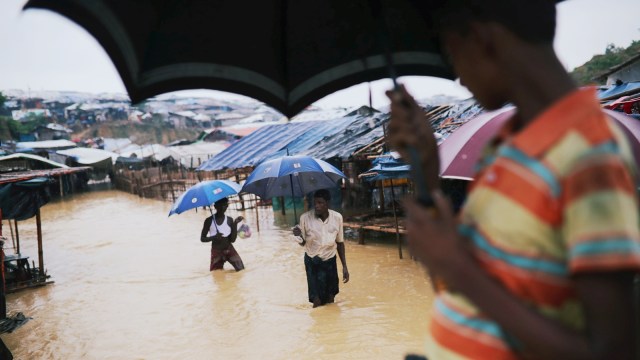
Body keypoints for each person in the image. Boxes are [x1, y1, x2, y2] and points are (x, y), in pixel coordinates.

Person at [387, 0, 640, 359]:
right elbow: (470, 300)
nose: (457, 75)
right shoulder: (501, 147)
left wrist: (459, 270)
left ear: (482, 39)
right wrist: (427, 171)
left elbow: (613, 352)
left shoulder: (591, 154)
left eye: (452, 52)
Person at [292, 189, 349, 308]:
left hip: (330, 260)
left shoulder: (337, 218)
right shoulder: (305, 218)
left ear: (327, 203)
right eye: (315, 203)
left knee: (330, 297)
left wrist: (344, 266)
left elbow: (340, 242)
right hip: (313, 261)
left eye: (320, 203)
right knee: (316, 300)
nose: (316, 206)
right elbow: (302, 243)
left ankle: (331, 324)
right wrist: (298, 235)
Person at [200, 197, 245, 271]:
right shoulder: (208, 221)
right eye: (220, 205)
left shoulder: (230, 220)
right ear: (215, 207)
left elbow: (232, 240)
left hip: (229, 249)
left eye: (225, 205)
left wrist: (235, 224)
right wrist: (214, 237)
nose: (223, 207)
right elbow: (202, 238)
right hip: (216, 252)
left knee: (241, 269)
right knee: (216, 274)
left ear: (227, 206)